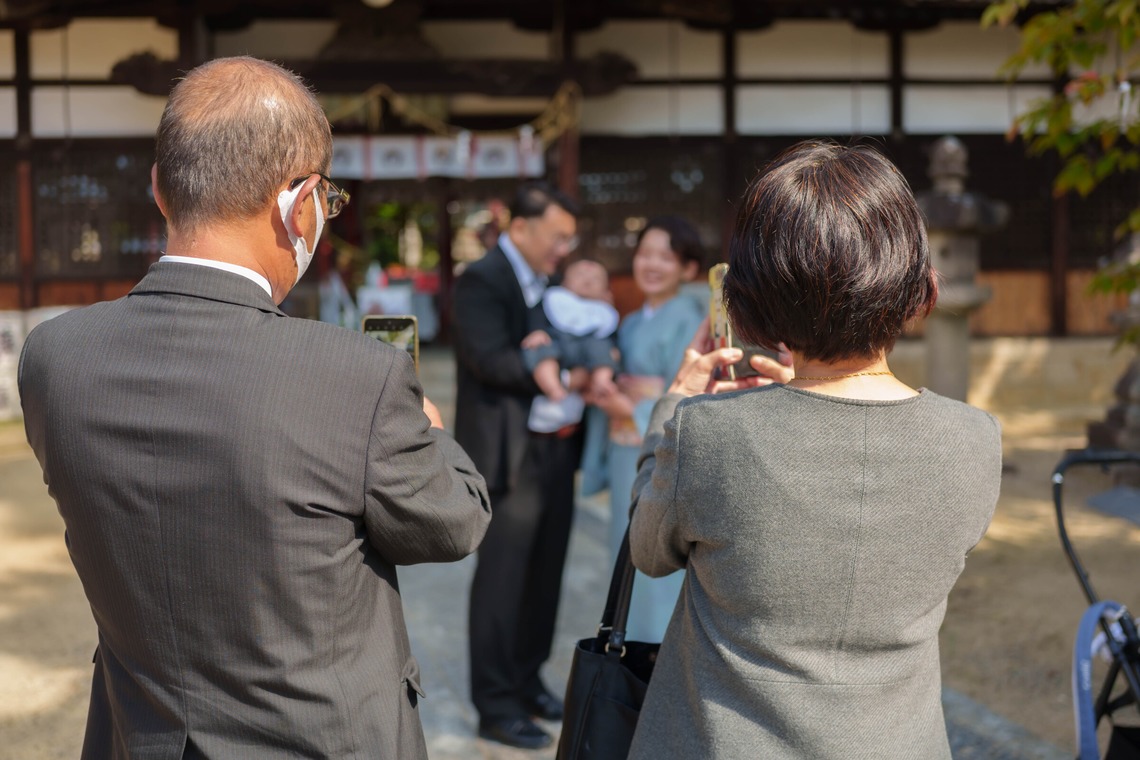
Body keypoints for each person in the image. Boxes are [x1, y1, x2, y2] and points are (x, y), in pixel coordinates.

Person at [18, 57, 491, 760]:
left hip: (140, 737)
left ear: (159, 188)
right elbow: (451, 526)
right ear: (297, 204)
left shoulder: (56, 357)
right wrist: (435, 434)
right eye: (328, 202)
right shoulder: (357, 377)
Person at [625, 141, 1002, 759]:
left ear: (752, 297)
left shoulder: (708, 433)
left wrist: (671, 409)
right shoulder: (974, 439)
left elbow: (649, 550)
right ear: (917, 285)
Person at [452, 181, 585, 750]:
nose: (564, 251)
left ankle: (528, 680)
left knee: (545, 576)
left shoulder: (552, 284)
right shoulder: (481, 279)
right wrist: (547, 357)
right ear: (522, 228)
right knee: (503, 583)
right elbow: (488, 359)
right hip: (506, 456)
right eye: (557, 239)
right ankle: (495, 703)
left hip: (553, 448)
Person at [582, 215, 705, 642]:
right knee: (624, 539)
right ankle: (628, 639)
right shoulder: (631, 321)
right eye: (645, 254)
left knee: (656, 543)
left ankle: (657, 648)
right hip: (622, 446)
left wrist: (630, 409)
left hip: (660, 445)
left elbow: (690, 393)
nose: (651, 264)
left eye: (665, 257)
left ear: (688, 269)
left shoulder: (691, 318)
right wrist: (603, 390)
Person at [522, 258, 619, 403]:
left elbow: (609, 333)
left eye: (596, 279)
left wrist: (614, 349)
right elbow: (537, 315)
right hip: (557, 344)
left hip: (588, 353)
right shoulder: (554, 298)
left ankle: (602, 381)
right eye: (580, 275)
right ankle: (553, 387)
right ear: (564, 282)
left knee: (603, 348)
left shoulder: (603, 311)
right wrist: (537, 331)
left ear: (605, 291)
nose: (588, 280)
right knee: (540, 349)